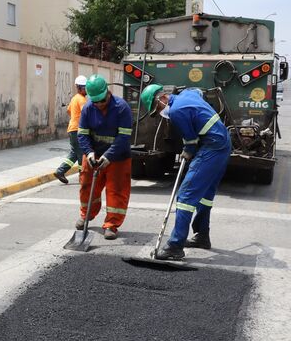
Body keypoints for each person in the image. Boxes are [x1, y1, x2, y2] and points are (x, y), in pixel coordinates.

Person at [139, 84, 231, 260]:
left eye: (157, 107)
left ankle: (175, 245)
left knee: (185, 196)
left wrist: (187, 152)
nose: (159, 112)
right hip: (222, 144)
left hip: (212, 146)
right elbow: (198, 91)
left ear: (163, 98)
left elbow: (190, 141)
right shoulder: (186, 95)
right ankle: (202, 236)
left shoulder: (176, 111)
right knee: (205, 195)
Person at [76, 74, 133, 240]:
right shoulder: (88, 108)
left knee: (116, 190)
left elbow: (124, 137)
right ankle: (86, 214)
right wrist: (89, 153)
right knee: (86, 185)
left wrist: (109, 156)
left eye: (102, 100)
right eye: (96, 102)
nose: (99, 105)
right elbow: (82, 134)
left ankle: (112, 224)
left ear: (108, 93)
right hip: (94, 154)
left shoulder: (122, 108)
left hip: (118, 157)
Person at [54, 75, 87, 184]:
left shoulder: (74, 98)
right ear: (78, 88)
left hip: (72, 129)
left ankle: (60, 171)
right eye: (83, 87)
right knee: (82, 153)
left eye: (86, 87)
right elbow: (85, 114)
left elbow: (69, 111)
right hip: (78, 130)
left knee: (74, 153)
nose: (86, 89)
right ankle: (83, 177)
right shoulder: (82, 100)